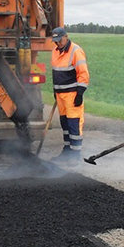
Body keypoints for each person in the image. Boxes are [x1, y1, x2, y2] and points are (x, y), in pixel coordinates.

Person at [50, 26, 89, 164]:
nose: (57, 43)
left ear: (66, 37)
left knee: (74, 124)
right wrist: (55, 91)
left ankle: (75, 156)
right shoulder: (55, 51)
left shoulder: (76, 51)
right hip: (60, 95)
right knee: (65, 124)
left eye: (59, 40)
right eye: (55, 41)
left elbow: (83, 74)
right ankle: (67, 151)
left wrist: (80, 93)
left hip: (72, 95)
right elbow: (56, 72)